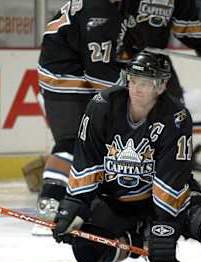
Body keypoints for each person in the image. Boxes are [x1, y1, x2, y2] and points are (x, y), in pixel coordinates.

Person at [51, 52, 201, 262]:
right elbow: (88, 160)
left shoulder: (175, 117)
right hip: (115, 200)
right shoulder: (102, 106)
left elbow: (172, 175)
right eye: (133, 80)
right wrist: (74, 204)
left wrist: (165, 225)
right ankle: (136, 243)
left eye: (144, 83)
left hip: (162, 194)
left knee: (196, 214)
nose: (136, 88)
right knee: (87, 251)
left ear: (161, 87)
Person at [116, 0, 201, 180]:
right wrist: (120, 42)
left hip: (155, 60)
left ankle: (179, 160)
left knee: (177, 110)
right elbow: (103, 13)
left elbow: (186, 25)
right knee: (122, 111)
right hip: (120, 59)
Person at [32, 0, 124, 233]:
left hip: (74, 72)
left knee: (93, 142)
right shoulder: (99, 10)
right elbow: (98, 73)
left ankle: (79, 200)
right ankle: (50, 203)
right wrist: (128, 85)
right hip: (64, 78)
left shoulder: (110, 6)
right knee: (73, 141)